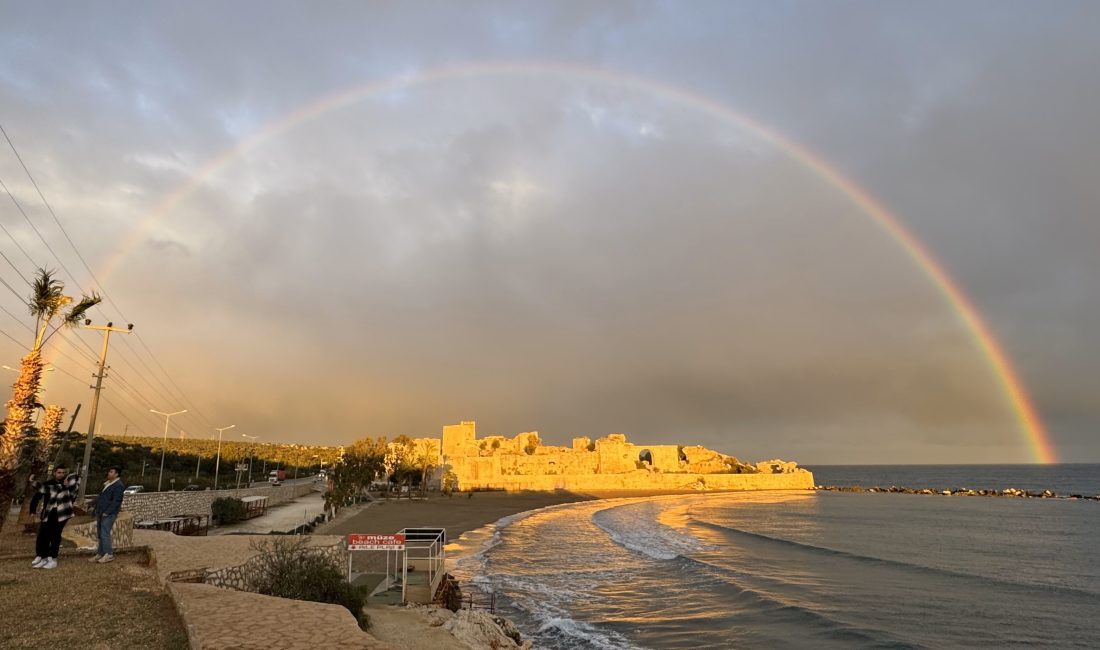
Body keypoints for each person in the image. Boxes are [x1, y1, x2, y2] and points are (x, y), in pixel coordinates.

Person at [28, 465, 81, 570]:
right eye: (59, 472)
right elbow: (42, 492)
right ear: (54, 473)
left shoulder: (69, 486)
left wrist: (33, 482)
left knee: (55, 535)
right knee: (44, 535)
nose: (61, 475)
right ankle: (43, 557)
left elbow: (76, 478)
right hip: (49, 512)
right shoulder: (51, 485)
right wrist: (32, 510)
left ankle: (53, 559)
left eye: (63, 473)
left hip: (62, 513)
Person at [91, 466, 125, 563]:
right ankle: (101, 553)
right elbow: (102, 498)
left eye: (111, 472)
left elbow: (117, 501)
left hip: (108, 514)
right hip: (101, 512)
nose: (109, 473)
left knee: (104, 533)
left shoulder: (118, 485)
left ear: (116, 474)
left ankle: (109, 554)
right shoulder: (108, 484)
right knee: (100, 534)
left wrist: (108, 511)